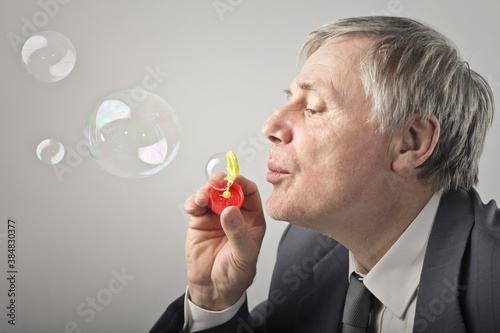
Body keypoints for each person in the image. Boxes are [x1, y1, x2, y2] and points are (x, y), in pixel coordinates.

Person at [151, 16, 500, 333]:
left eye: (313, 108)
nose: (270, 127)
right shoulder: (308, 249)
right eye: (289, 100)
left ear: (411, 142)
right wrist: (213, 300)